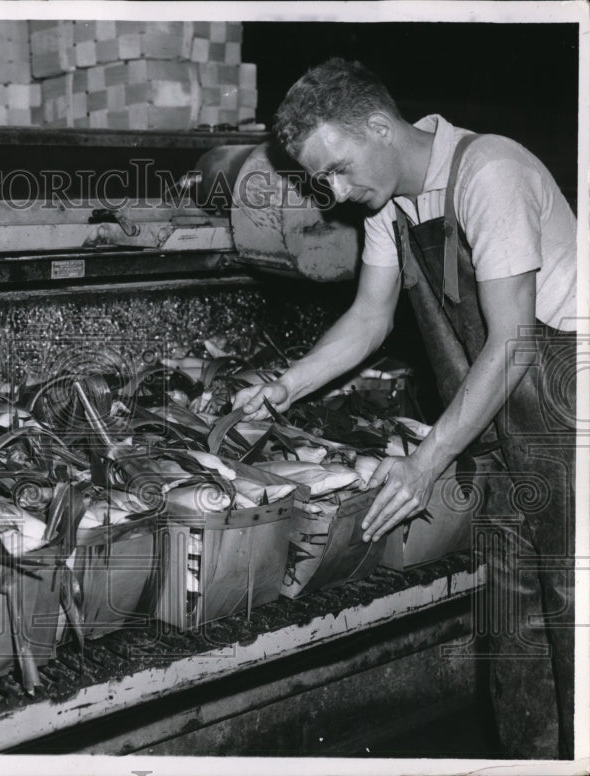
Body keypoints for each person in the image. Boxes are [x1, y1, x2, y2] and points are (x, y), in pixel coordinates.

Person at [233, 58, 577, 759]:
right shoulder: (390, 207)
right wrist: (285, 386)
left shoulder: (490, 174)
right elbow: (369, 318)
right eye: (320, 180)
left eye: (337, 168)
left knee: (579, 633)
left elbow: (513, 340)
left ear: (380, 126)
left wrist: (427, 461)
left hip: (572, 426)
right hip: (507, 432)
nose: (334, 192)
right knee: (512, 636)